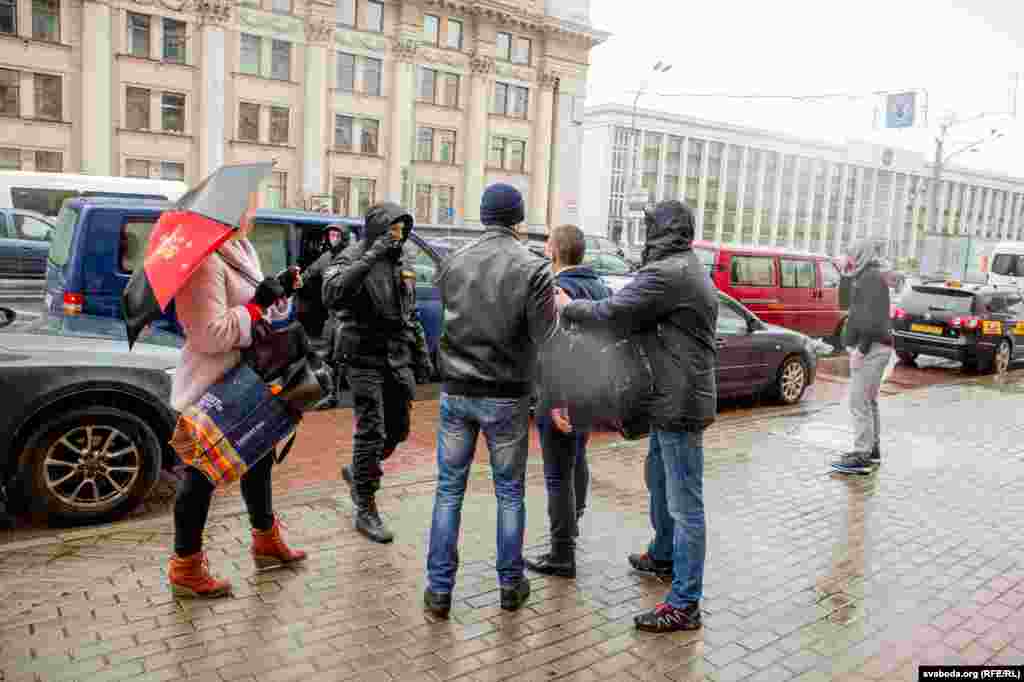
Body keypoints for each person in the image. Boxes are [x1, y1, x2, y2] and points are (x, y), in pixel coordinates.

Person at [554, 200, 717, 634]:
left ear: (662, 232)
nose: (642, 234)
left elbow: (613, 312)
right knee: (659, 479)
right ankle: (663, 555)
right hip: (672, 397)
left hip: (679, 404)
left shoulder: (669, 273)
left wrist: (568, 304)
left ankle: (685, 603)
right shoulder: (681, 267)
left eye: (647, 226)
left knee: (686, 505)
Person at [423, 183, 559, 618]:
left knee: (448, 492)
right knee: (509, 493)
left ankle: (439, 591)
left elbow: (448, 321)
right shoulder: (533, 267)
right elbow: (547, 341)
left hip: (457, 392)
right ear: (517, 219)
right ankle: (509, 584)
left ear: (483, 216)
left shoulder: (452, 262)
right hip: (506, 395)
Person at [168, 192, 307, 599]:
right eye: (249, 206)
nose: (254, 213)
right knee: (201, 475)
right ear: (228, 210)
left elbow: (258, 309)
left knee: (259, 459)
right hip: (212, 386)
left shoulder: (239, 248)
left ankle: (266, 540)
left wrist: (278, 290)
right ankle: (185, 566)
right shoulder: (203, 263)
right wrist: (257, 304)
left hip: (248, 381)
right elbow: (209, 335)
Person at [322, 203, 432, 544]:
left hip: (396, 355)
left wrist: (422, 355)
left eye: (402, 230)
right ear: (378, 230)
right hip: (362, 355)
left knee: (398, 430)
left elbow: (409, 312)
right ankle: (366, 507)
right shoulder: (354, 255)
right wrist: (371, 256)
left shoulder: (400, 260)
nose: (398, 236)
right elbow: (332, 293)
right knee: (371, 430)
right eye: (393, 230)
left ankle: (358, 472)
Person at [525, 224, 611, 579]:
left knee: (558, 474)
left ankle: (562, 552)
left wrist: (556, 397)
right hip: (590, 390)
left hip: (561, 393)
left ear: (554, 251)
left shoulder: (559, 289)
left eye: (547, 244)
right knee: (577, 459)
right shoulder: (599, 286)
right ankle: (572, 521)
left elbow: (554, 347)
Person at [831, 240, 892, 474]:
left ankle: (862, 455)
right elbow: (844, 304)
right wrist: (845, 272)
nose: (847, 258)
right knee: (868, 400)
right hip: (872, 347)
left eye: (850, 255)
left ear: (861, 256)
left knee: (859, 402)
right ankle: (871, 451)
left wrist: (861, 350)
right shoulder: (863, 276)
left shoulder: (872, 279)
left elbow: (873, 320)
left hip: (872, 348)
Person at [298, 224, 351, 410]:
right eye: (330, 235)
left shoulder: (353, 256)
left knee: (345, 357)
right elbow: (308, 273)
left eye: (337, 235)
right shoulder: (326, 258)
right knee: (329, 356)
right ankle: (331, 395)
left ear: (344, 237)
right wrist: (294, 281)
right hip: (332, 316)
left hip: (349, 316)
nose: (333, 238)